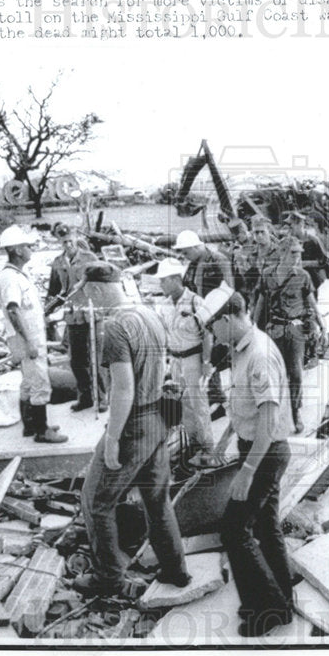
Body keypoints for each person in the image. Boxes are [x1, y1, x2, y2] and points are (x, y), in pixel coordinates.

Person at [75, 262, 190, 597]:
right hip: (158, 418)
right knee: (157, 499)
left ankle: (108, 579)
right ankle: (175, 570)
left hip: (134, 422)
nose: (88, 298)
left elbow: (123, 388)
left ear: (96, 289)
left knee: (97, 501)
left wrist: (112, 438)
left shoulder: (115, 326)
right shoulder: (149, 312)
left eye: (88, 292)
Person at [207, 291, 296, 637]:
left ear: (227, 320)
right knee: (266, 527)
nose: (213, 336)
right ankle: (280, 597)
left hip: (266, 452)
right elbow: (246, 403)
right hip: (258, 449)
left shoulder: (257, 354)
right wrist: (226, 437)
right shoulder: (245, 347)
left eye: (214, 328)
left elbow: (269, 418)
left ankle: (269, 608)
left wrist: (247, 471)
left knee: (233, 529)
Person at [0, 225, 67, 444]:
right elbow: (13, 310)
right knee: (39, 383)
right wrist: (29, 342)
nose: (31, 249)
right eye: (27, 246)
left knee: (28, 382)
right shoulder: (10, 278)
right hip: (27, 338)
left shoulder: (17, 274)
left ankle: (31, 425)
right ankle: (41, 430)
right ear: (17, 250)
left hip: (28, 336)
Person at [253, 236, 327, 434]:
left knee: (295, 374)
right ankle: (272, 413)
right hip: (274, 330)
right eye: (294, 252)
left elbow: (312, 305)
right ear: (283, 253)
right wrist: (253, 329)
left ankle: (295, 412)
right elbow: (260, 305)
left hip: (295, 331)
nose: (298, 256)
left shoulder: (303, 276)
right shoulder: (267, 275)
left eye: (299, 253)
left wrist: (323, 327)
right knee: (273, 375)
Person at [154, 257, 217, 460]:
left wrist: (206, 363)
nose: (160, 284)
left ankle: (207, 446)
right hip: (176, 360)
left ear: (174, 279)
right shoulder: (164, 305)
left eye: (163, 280)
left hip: (194, 358)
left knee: (198, 403)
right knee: (183, 404)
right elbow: (164, 334)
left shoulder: (195, 301)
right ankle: (193, 442)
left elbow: (208, 333)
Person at [46, 223, 103, 412]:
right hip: (72, 316)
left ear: (75, 237)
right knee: (77, 360)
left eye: (70, 240)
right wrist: (45, 312)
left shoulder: (89, 258)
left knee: (96, 357)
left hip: (90, 314)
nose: (67, 244)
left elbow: (101, 285)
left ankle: (101, 398)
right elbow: (54, 291)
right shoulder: (58, 262)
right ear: (58, 241)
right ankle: (85, 397)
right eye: (63, 241)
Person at [173, 229, 234, 297]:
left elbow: (230, 287)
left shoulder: (218, 259)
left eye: (186, 253)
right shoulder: (192, 266)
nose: (184, 256)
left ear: (194, 247)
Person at [286, 211, 328, 289]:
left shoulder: (313, 240)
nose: (289, 228)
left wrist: (305, 263)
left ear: (300, 224)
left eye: (291, 225)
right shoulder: (289, 242)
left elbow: (323, 261)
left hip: (313, 280)